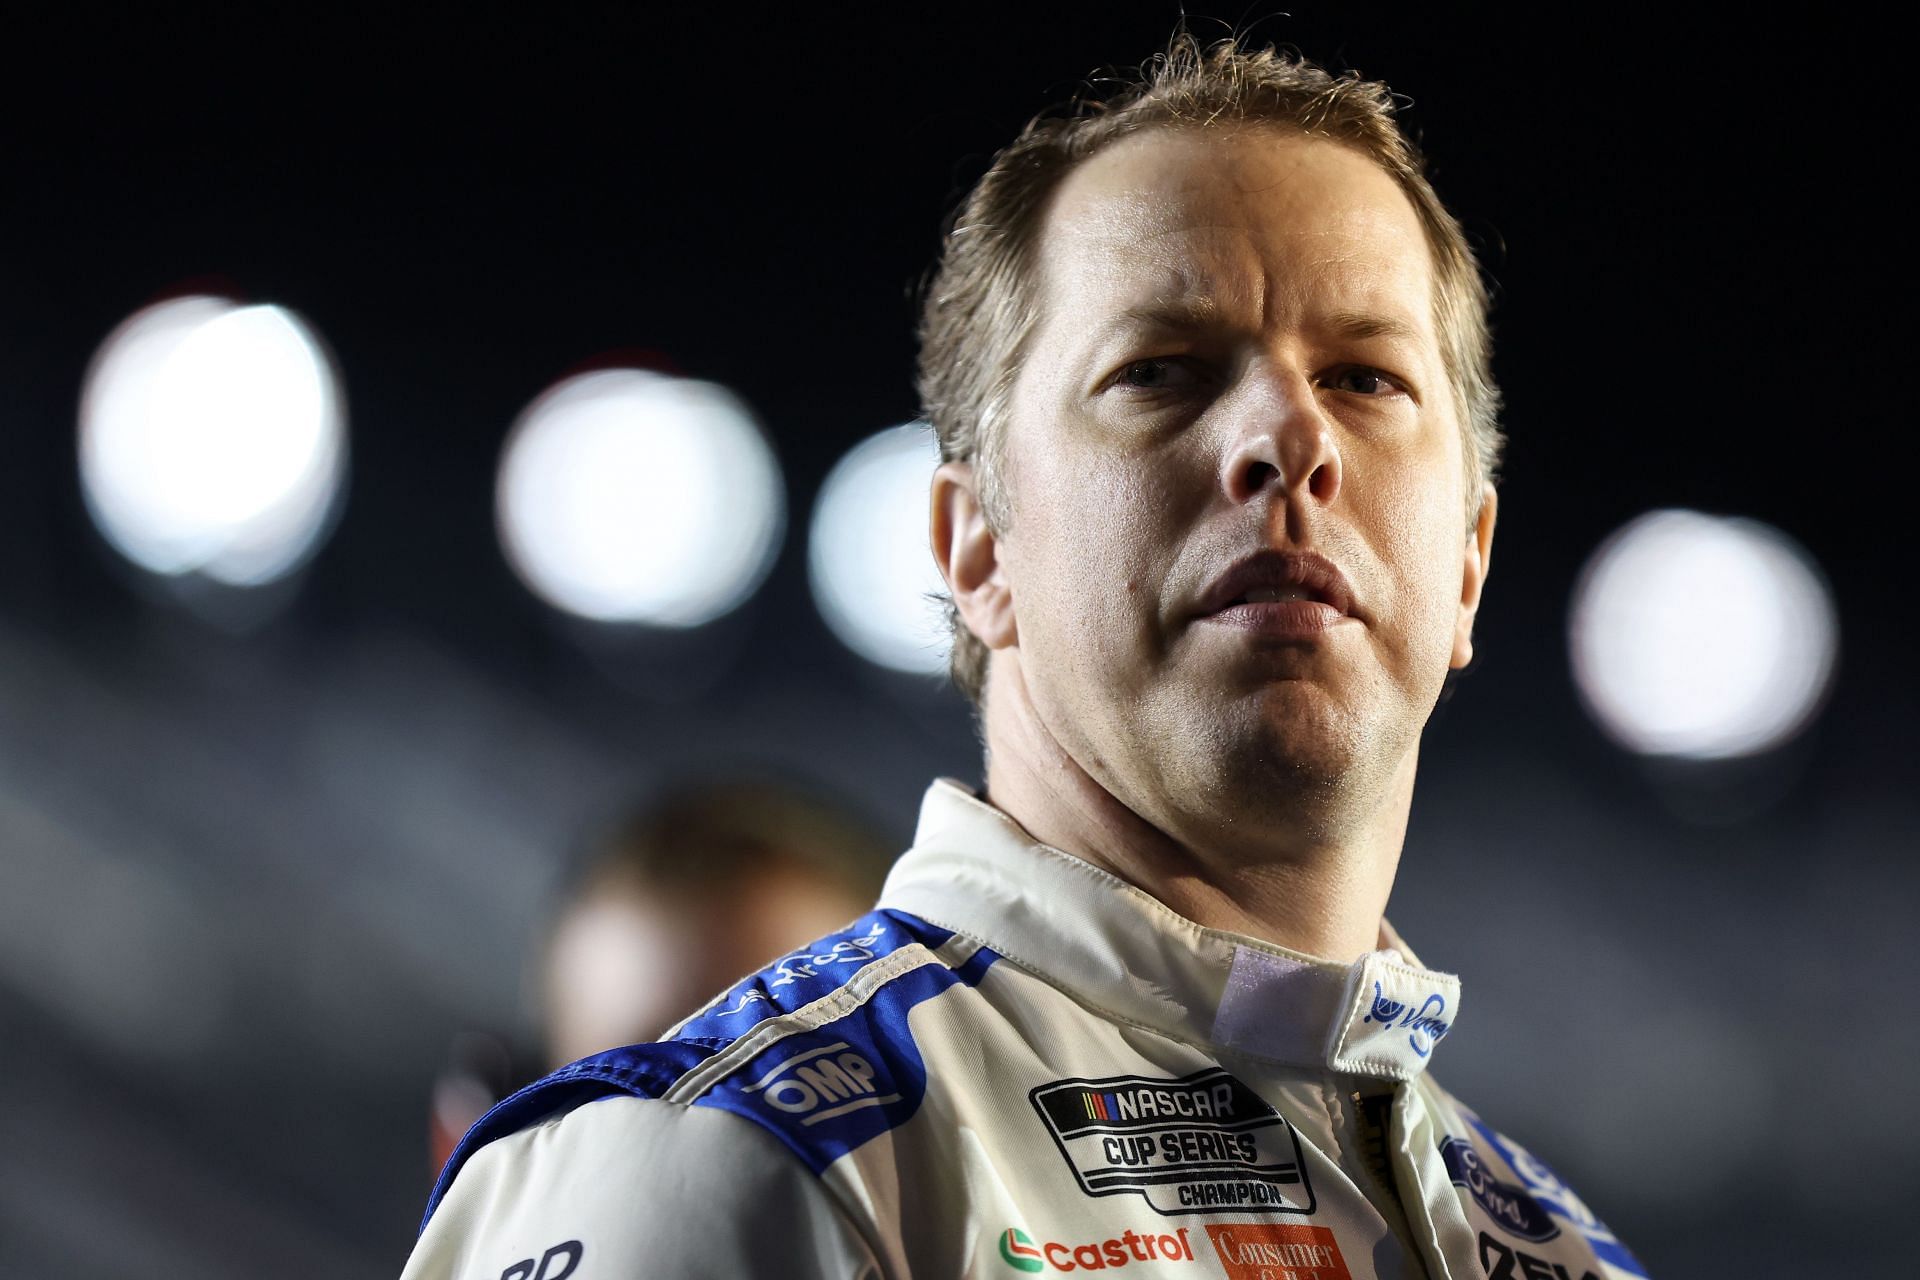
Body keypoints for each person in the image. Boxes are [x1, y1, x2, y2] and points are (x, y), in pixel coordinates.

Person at [402, 35, 1646, 1280]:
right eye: (1161, 371)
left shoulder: (1561, 1250)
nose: (1290, 433)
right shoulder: (729, 1165)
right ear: (979, 547)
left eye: (1368, 377)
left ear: (1470, 561)